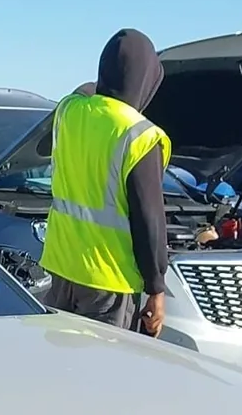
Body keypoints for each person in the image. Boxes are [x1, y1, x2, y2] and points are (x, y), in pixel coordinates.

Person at [39, 29, 171, 336]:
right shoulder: (140, 134)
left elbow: (83, 89)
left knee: (57, 360)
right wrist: (156, 287)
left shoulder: (69, 111)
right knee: (103, 364)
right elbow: (149, 220)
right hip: (108, 281)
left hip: (61, 267)